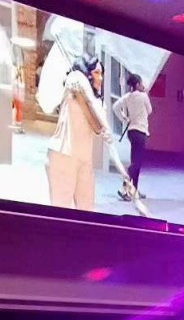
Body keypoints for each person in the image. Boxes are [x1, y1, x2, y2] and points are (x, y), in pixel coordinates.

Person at [46, 55, 133, 211]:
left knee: (87, 211)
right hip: (63, 154)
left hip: (84, 160)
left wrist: (122, 170)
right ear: (87, 73)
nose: (100, 78)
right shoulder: (74, 80)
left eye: (102, 74)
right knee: (60, 212)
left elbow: (100, 129)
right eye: (96, 73)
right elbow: (81, 88)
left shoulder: (98, 102)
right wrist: (83, 99)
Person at [112, 73, 152, 200]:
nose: (143, 85)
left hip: (131, 131)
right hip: (141, 132)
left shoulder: (128, 97)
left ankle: (134, 190)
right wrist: (145, 94)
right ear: (138, 84)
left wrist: (125, 118)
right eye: (141, 83)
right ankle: (124, 189)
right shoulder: (143, 96)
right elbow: (150, 110)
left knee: (135, 162)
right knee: (136, 163)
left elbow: (115, 107)